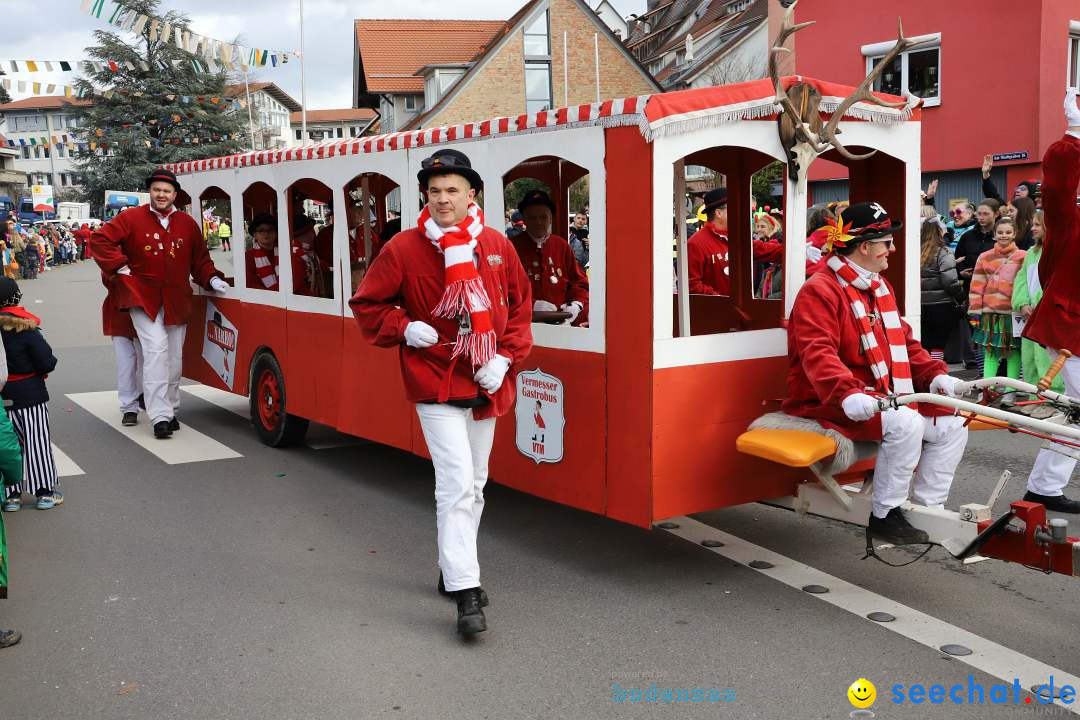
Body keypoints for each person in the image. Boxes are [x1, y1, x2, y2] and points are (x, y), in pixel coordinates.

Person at [350, 148, 532, 637]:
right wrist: (404, 327)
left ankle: (452, 564)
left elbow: (519, 308)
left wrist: (504, 358)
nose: (444, 199)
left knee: (475, 484)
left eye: (453, 190)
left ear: (472, 194)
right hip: (434, 379)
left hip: (486, 380)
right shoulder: (404, 248)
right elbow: (367, 304)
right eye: (434, 191)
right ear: (424, 197)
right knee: (454, 484)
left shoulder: (497, 244)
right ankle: (466, 591)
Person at [782, 202, 968, 545]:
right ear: (864, 246)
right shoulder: (819, 290)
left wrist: (936, 374)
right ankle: (886, 514)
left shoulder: (879, 287)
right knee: (907, 423)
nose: (892, 249)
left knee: (953, 422)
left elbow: (906, 343)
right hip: (828, 401)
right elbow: (816, 353)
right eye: (886, 242)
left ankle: (928, 508)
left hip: (877, 393)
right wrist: (846, 393)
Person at [91, 168, 228, 439]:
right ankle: (160, 415)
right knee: (155, 350)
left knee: (174, 357)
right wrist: (120, 267)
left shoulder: (187, 224)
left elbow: (200, 259)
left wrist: (211, 279)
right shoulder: (131, 217)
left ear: (175, 195)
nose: (161, 194)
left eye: (166, 191)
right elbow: (100, 239)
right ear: (149, 192)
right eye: (156, 190)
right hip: (142, 297)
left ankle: (171, 407)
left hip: (176, 299)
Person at [1018, 91, 1080, 513]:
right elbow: (1057, 183)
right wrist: (1074, 134)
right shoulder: (1068, 221)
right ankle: (1043, 486)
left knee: (1077, 413)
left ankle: (1044, 485)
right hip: (1070, 330)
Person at [0, 278, 61, 511]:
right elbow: (46, 360)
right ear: (14, 298)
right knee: (37, 443)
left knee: (8, 444)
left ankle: (11, 495)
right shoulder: (25, 327)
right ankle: (44, 492)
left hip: (2, 394)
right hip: (30, 393)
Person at [511, 190, 589, 326]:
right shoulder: (511, 247)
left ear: (550, 219)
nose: (538, 222)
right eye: (532, 217)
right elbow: (504, 288)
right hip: (526, 325)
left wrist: (576, 304)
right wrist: (532, 304)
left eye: (543, 217)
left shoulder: (561, 245)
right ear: (524, 219)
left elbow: (578, 281)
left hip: (563, 323)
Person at [1011, 210, 1063, 396]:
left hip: (1049, 316)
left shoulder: (1058, 252)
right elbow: (1021, 280)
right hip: (1031, 315)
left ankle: (1053, 399)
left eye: (1037, 225)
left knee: (1048, 359)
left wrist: (1043, 306)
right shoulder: (1031, 254)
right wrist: (1022, 302)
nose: (1032, 228)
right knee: (1030, 358)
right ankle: (1035, 397)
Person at [969, 217, 1025, 380]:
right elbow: (977, 285)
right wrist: (975, 310)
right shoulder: (984, 257)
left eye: (1008, 232)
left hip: (1014, 312)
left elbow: (1026, 285)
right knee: (990, 351)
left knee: (1014, 352)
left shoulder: (1023, 256)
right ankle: (988, 389)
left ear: (1015, 234)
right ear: (994, 234)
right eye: (1000, 232)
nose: (1004, 235)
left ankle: (1011, 391)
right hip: (990, 312)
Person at [102, 271, 144, 426]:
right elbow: (107, 278)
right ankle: (129, 407)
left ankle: (143, 394)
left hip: (144, 311)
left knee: (147, 362)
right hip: (119, 312)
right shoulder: (113, 252)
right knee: (125, 364)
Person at [919, 212, 963, 362]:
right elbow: (949, 281)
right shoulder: (944, 252)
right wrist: (960, 296)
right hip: (942, 305)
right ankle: (936, 372)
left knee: (924, 343)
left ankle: (925, 372)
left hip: (921, 306)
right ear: (939, 231)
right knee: (938, 344)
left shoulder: (915, 252)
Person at [687, 188, 730, 295]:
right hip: (716, 309)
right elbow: (692, 285)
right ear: (718, 213)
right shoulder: (696, 244)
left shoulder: (737, 237)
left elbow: (761, 249)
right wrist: (721, 299)